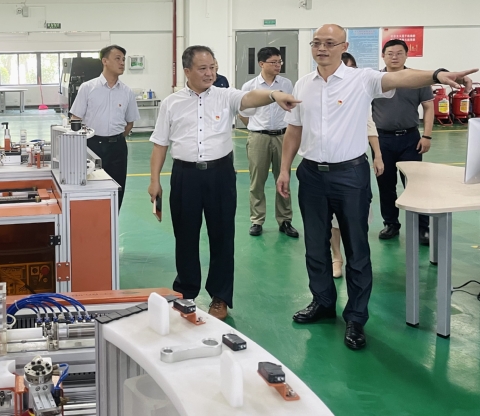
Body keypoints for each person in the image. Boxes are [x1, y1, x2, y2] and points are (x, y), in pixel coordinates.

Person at [277, 24, 475, 351]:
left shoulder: (362, 79)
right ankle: (323, 302)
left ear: (344, 46)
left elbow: (401, 78)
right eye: (316, 43)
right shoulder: (303, 85)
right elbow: (294, 131)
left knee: (356, 248)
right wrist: (285, 169)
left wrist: (438, 75)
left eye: (329, 43)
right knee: (315, 245)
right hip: (311, 175)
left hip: (350, 176)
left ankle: (356, 317)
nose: (322, 48)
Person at [148, 45, 300, 320]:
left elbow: (250, 98)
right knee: (185, 236)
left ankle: (220, 297)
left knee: (222, 236)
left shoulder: (225, 95)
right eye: (203, 69)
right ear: (187, 71)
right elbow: (160, 144)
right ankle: (186, 292)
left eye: (213, 68)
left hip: (220, 175)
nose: (210, 73)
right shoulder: (171, 103)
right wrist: (154, 181)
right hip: (185, 176)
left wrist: (274, 95)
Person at [372, 39, 435, 245]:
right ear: (383, 56)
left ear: (406, 55)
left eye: (399, 53)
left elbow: (428, 107)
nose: (394, 57)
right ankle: (391, 224)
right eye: (390, 53)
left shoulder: (417, 79)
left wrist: (427, 135)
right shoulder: (375, 80)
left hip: (410, 139)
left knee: (415, 184)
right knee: (385, 184)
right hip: (382, 140)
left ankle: (422, 228)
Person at [331, 52, 384, 279]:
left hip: (355, 166)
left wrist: (378, 155)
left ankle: (357, 258)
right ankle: (336, 257)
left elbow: (370, 126)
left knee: (358, 214)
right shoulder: (323, 93)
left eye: (351, 68)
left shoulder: (361, 94)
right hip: (330, 165)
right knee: (333, 218)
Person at [70, 45, 139, 210]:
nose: (122, 63)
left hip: (117, 148)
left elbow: (130, 123)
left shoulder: (127, 92)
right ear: (105, 61)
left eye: (123, 59)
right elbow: (75, 119)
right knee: (91, 187)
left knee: (117, 188)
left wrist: (115, 138)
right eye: (117, 58)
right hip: (92, 146)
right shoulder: (88, 88)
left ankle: (113, 221)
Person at [239, 47, 297, 238]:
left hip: (282, 136)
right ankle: (257, 220)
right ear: (261, 64)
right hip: (259, 137)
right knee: (257, 181)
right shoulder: (250, 86)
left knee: (284, 178)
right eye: (273, 62)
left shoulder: (286, 84)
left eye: (279, 62)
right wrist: (254, 127)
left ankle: (285, 219)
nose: (278, 65)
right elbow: (243, 112)